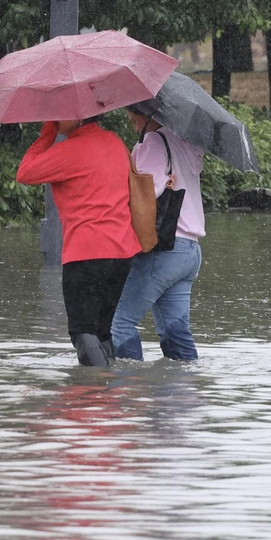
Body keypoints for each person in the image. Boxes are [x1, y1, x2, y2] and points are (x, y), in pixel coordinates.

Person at [16, 116, 141, 366]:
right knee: (102, 331)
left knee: (83, 332)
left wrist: (47, 133)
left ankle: (94, 392)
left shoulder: (69, 151)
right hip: (122, 253)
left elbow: (25, 173)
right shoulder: (115, 143)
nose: (53, 117)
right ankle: (111, 397)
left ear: (77, 116)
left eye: (59, 113)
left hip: (86, 253)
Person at [110, 108, 205, 361]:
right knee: (176, 333)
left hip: (164, 248)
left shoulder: (153, 142)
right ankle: (183, 394)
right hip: (190, 251)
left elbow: (143, 193)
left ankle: (128, 391)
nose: (133, 127)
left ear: (150, 115)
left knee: (118, 323)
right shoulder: (186, 143)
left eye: (134, 120)